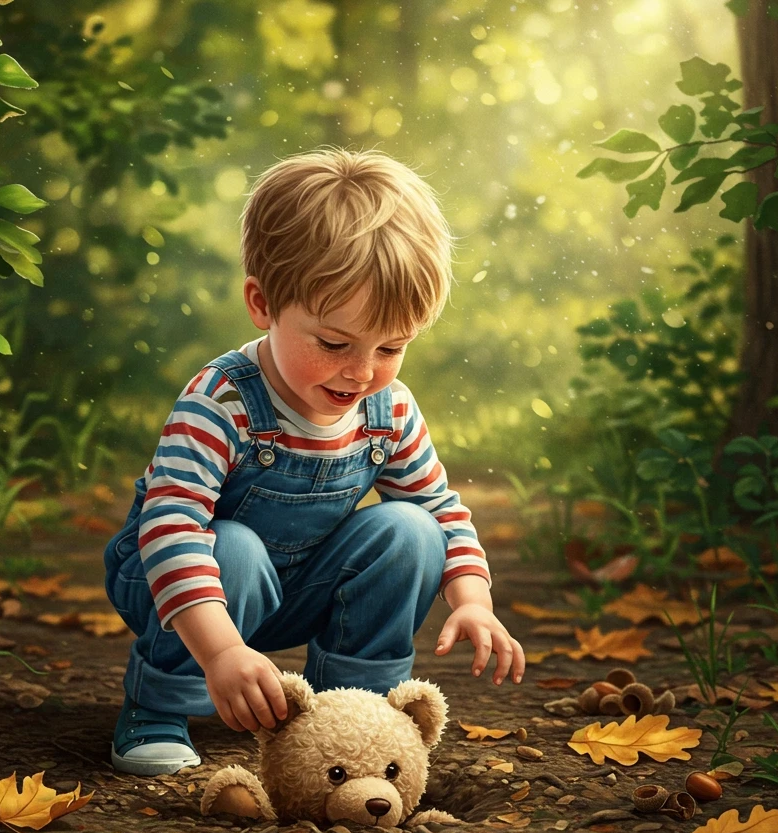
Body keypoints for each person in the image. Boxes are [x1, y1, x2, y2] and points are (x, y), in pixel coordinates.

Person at [104, 147, 526, 777]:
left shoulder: (388, 410)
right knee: (237, 547)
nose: (360, 372)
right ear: (263, 303)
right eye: (333, 343)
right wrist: (221, 650)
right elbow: (170, 527)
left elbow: (441, 510)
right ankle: (160, 706)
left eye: (390, 347)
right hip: (180, 585)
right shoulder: (223, 402)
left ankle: (350, 712)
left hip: (298, 588)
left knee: (410, 531)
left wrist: (473, 598)